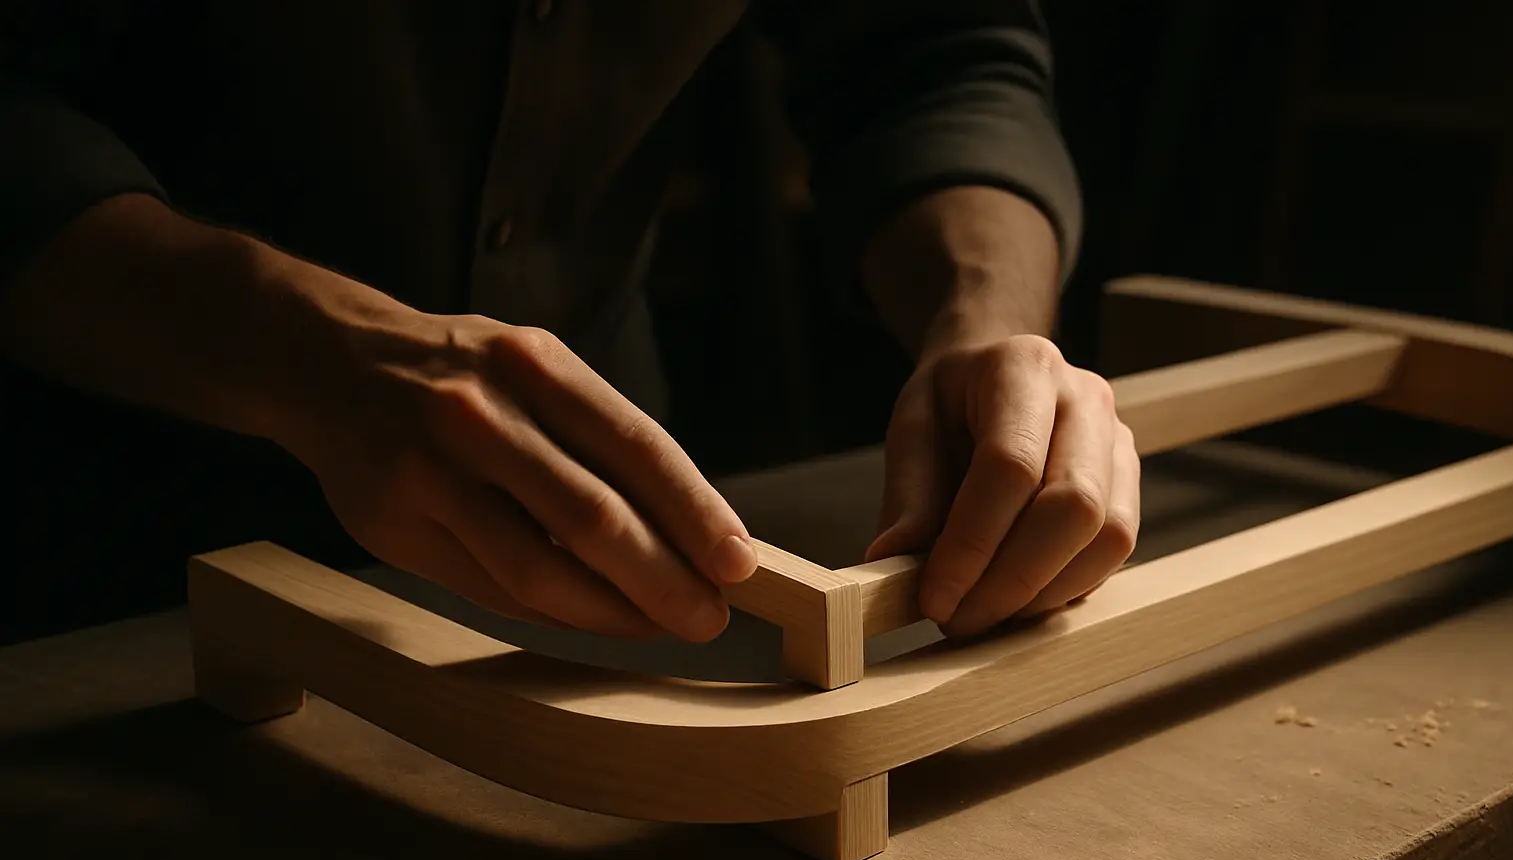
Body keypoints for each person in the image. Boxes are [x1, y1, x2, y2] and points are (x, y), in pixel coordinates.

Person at [0, 1, 1138, 644]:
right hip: (78, 547)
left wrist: (985, 321)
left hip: (590, 560)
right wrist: (300, 351)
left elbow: (933, 50)